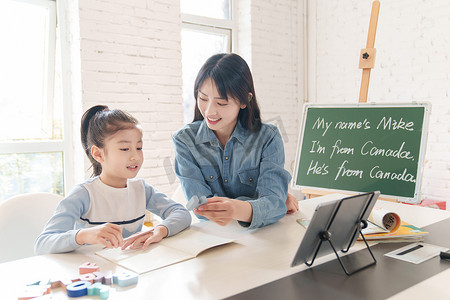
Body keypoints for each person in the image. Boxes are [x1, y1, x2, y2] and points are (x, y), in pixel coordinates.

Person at [35, 105, 191, 254]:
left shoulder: (142, 189)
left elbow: (181, 213)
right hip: (94, 273)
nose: (135, 156)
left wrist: (161, 229)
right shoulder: (83, 194)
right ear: (98, 154)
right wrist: (83, 235)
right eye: (124, 149)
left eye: (139, 147)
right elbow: (43, 244)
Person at [172, 53, 299, 229]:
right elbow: (202, 210)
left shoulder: (268, 138)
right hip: (213, 238)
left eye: (221, 103)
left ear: (245, 100)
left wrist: (242, 207)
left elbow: (274, 205)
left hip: (262, 238)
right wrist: (256, 205)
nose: (209, 111)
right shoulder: (184, 141)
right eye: (202, 99)